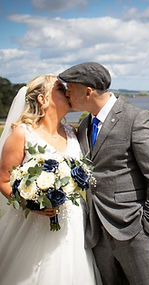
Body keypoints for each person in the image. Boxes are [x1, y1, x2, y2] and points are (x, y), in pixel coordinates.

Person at [59, 62, 149, 285]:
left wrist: (148, 224)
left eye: (70, 88)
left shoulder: (136, 118)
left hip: (133, 227)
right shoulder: (84, 125)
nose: (67, 94)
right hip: (97, 232)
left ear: (88, 91)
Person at [0, 75, 102, 285]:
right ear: (42, 99)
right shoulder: (22, 134)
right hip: (36, 222)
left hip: (74, 219)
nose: (67, 90)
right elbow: (3, 180)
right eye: (59, 88)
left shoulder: (72, 132)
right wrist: (30, 203)